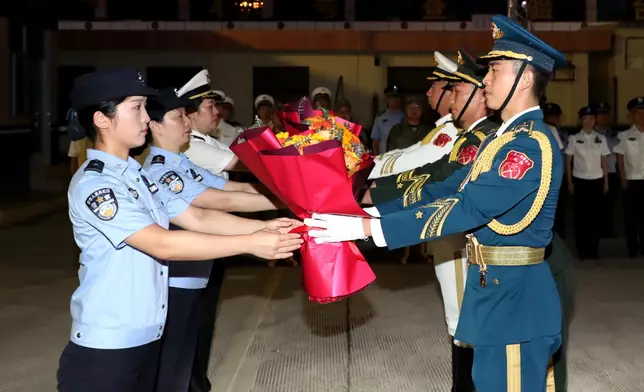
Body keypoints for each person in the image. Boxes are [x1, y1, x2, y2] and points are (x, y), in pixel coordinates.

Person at [306, 15, 567, 392]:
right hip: (493, 291)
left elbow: (467, 208)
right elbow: (438, 188)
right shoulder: (501, 140)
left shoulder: (528, 145)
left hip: (515, 302)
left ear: (525, 79)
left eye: (494, 70)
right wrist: (365, 211)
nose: (486, 80)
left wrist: (369, 230)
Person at [56, 68, 303, 392]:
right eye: (137, 108)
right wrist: (250, 243)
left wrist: (265, 227)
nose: (146, 117)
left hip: (145, 335)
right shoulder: (96, 183)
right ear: (102, 119)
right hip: (107, 345)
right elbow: (162, 244)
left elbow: (198, 218)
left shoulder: (135, 176)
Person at [368, 56, 459, 180]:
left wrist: (370, 168)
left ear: (450, 93)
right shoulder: (441, 127)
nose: (428, 93)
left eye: (433, 87)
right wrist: (372, 161)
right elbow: (409, 151)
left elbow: (417, 159)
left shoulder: (452, 129)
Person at [178, 70, 245, 180]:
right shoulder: (191, 147)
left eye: (216, 106)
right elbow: (243, 164)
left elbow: (243, 156)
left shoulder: (206, 139)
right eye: (210, 107)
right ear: (192, 112)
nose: (217, 112)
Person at [565, 106, 610, 259]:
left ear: (594, 121)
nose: (588, 121)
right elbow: (569, 160)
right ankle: (582, 250)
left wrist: (606, 181)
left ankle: (594, 249)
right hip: (580, 180)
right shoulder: (574, 138)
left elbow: (604, 161)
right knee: (581, 217)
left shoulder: (601, 138)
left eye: (591, 118)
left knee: (595, 216)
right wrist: (569, 181)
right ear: (581, 120)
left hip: (597, 180)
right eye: (585, 118)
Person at [613, 97, 644, 257]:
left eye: (643, 112)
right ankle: (632, 248)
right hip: (632, 180)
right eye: (637, 113)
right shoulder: (624, 135)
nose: (641, 116)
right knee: (631, 217)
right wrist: (623, 178)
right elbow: (620, 158)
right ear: (632, 115)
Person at [593, 101, 619, 238]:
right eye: (599, 114)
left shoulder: (615, 134)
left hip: (611, 171)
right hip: (593, 173)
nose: (602, 118)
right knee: (595, 204)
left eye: (605, 115)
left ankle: (608, 229)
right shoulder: (588, 133)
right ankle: (595, 229)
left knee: (610, 204)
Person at [370, 85, 405, 155]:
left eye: (397, 98)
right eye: (391, 98)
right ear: (386, 99)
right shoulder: (380, 117)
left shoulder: (405, 116)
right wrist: (376, 158)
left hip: (401, 156)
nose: (394, 100)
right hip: (384, 156)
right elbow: (375, 140)